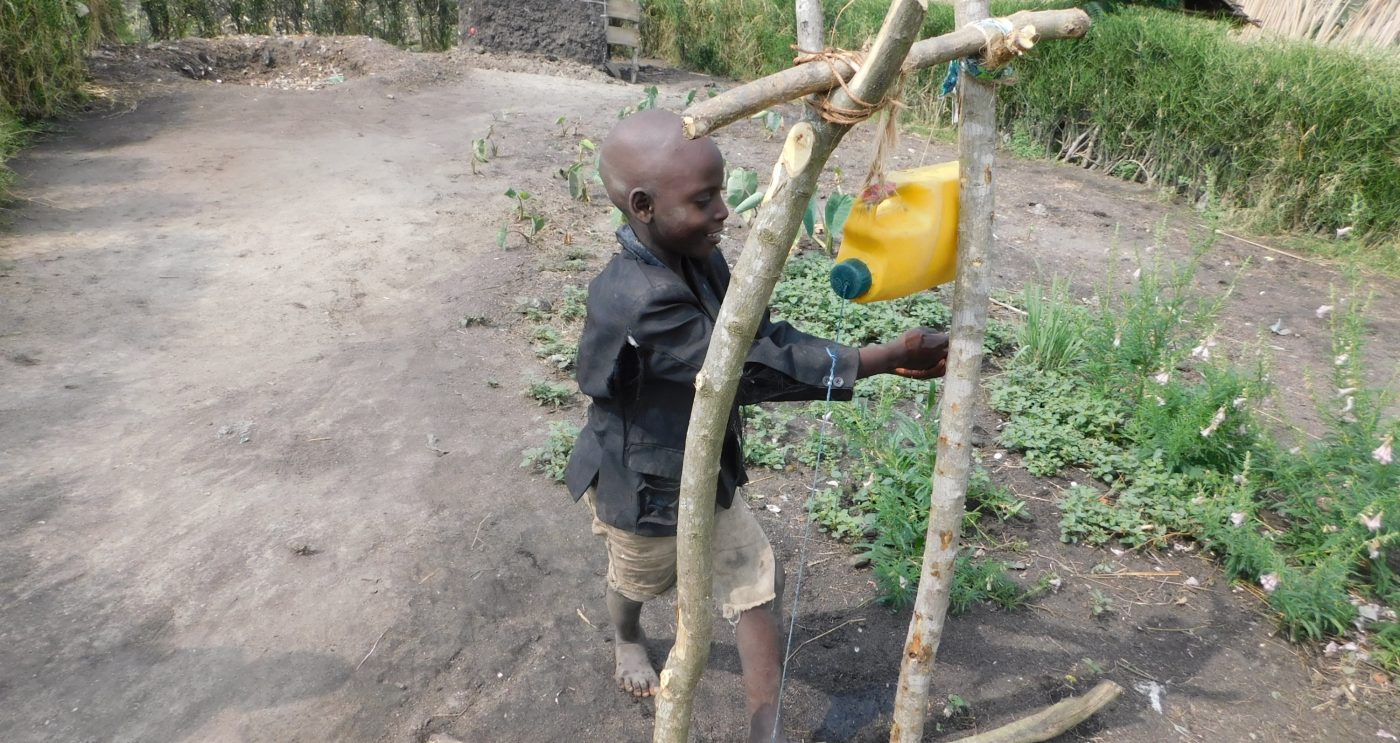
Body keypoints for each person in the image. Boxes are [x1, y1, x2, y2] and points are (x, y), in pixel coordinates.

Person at [563, 109, 949, 742]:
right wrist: (882, 359)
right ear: (643, 206)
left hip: (703, 464)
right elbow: (743, 369)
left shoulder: (700, 256)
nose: (724, 212)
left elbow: (761, 335)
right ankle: (628, 636)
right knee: (638, 580)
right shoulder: (636, 295)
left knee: (752, 580)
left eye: (721, 192)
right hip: (642, 478)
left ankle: (763, 731)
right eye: (705, 199)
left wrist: (875, 355)